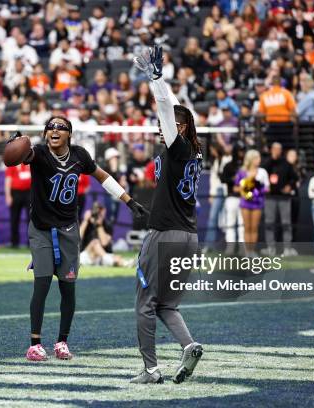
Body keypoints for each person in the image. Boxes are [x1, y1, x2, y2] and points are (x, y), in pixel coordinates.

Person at [6, 116, 147, 362]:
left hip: (68, 230)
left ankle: (62, 341)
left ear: (70, 134)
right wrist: (13, 146)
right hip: (40, 229)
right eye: (50, 127)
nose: (55, 130)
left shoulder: (80, 156)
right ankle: (35, 344)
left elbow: (102, 176)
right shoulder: (38, 154)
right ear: (44, 133)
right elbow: (13, 159)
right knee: (41, 285)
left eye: (61, 127)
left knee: (68, 289)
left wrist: (129, 201)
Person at [131, 46, 203, 384]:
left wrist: (158, 80)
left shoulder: (179, 148)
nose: (162, 126)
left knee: (145, 302)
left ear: (183, 127)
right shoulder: (189, 153)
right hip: (189, 237)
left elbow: (165, 107)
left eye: (171, 123)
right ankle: (188, 345)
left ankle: (150, 369)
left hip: (166, 234)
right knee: (166, 305)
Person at [262, 142, 298, 256]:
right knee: (269, 223)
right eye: (275, 149)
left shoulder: (286, 163)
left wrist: (289, 186)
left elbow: (294, 178)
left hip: (284, 197)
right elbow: (260, 176)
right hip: (270, 197)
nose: (277, 151)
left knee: (286, 223)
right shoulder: (266, 163)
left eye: (279, 149)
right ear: (271, 150)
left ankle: (287, 248)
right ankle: (270, 247)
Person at [235, 150, 269, 257]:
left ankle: (251, 251)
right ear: (251, 159)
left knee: (254, 227)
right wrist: (244, 190)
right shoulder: (242, 172)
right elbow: (236, 187)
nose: (259, 160)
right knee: (247, 227)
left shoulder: (262, 172)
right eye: (257, 158)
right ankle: (247, 251)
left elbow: (267, 188)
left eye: (259, 158)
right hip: (245, 203)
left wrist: (257, 190)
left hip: (257, 203)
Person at [78, 202, 132, 267]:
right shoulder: (86, 223)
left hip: (100, 256)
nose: (99, 212)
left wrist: (99, 225)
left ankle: (126, 263)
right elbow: (78, 238)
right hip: (87, 255)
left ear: (104, 211)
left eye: (101, 210)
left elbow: (104, 243)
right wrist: (85, 220)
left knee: (117, 258)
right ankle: (111, 261)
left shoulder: (107, 225)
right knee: (95, 242)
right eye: (97, 209)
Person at [220, 141, 246, 254]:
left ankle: (243, 248)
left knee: (242, 224)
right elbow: (223, 178)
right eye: (240, 150)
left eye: (243, 150)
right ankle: (230, 248)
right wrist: (234, 180)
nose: (242, 153)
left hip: (244, 198)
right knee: (230, 223)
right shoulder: (229, 165)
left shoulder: (246, 166)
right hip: (231, 197)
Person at [4, 161, 31, 248]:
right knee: (14, 218)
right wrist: (8, 196)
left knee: (31, 219)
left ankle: (30, 242)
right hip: (15, 193)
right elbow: (8, 180)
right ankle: (14, 242)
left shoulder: (29, 163)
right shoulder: (13, 163)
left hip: (29, 193)